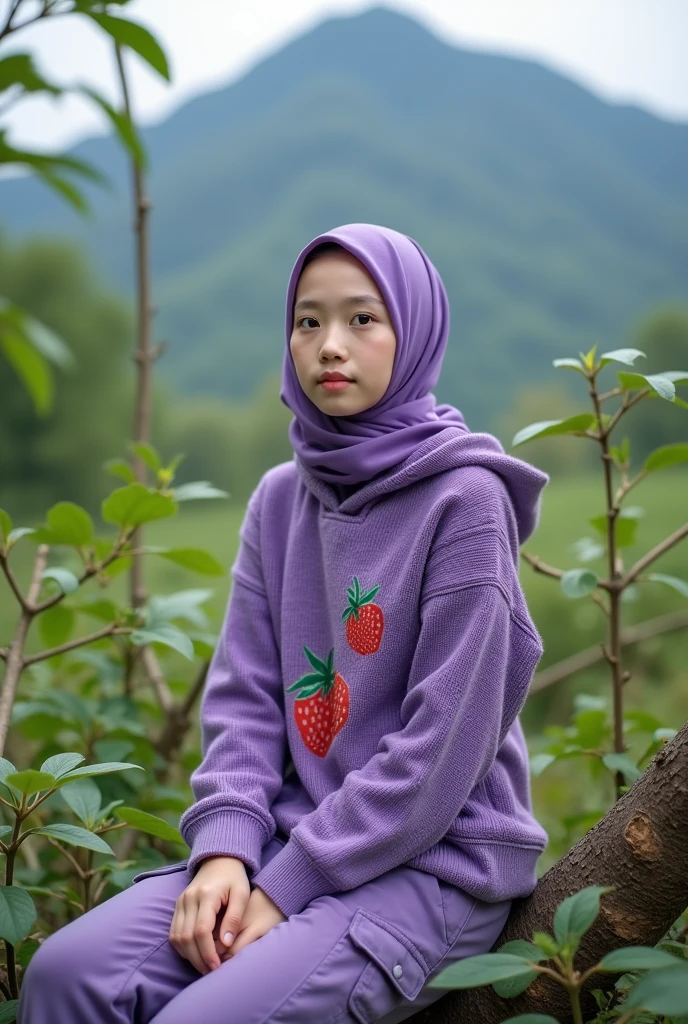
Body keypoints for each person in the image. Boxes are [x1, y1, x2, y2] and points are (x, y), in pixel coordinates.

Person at [18, 223, 549, 1024]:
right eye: (308, 321)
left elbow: (440, 756)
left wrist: (286, 884)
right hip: (287, 844)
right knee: (65, 975)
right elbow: (245, 702)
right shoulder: (279, 499)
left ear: (416, 333)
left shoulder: (465, 502)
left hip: (436, 864)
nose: (330, 345)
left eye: (363, 319)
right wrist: (227, 848)